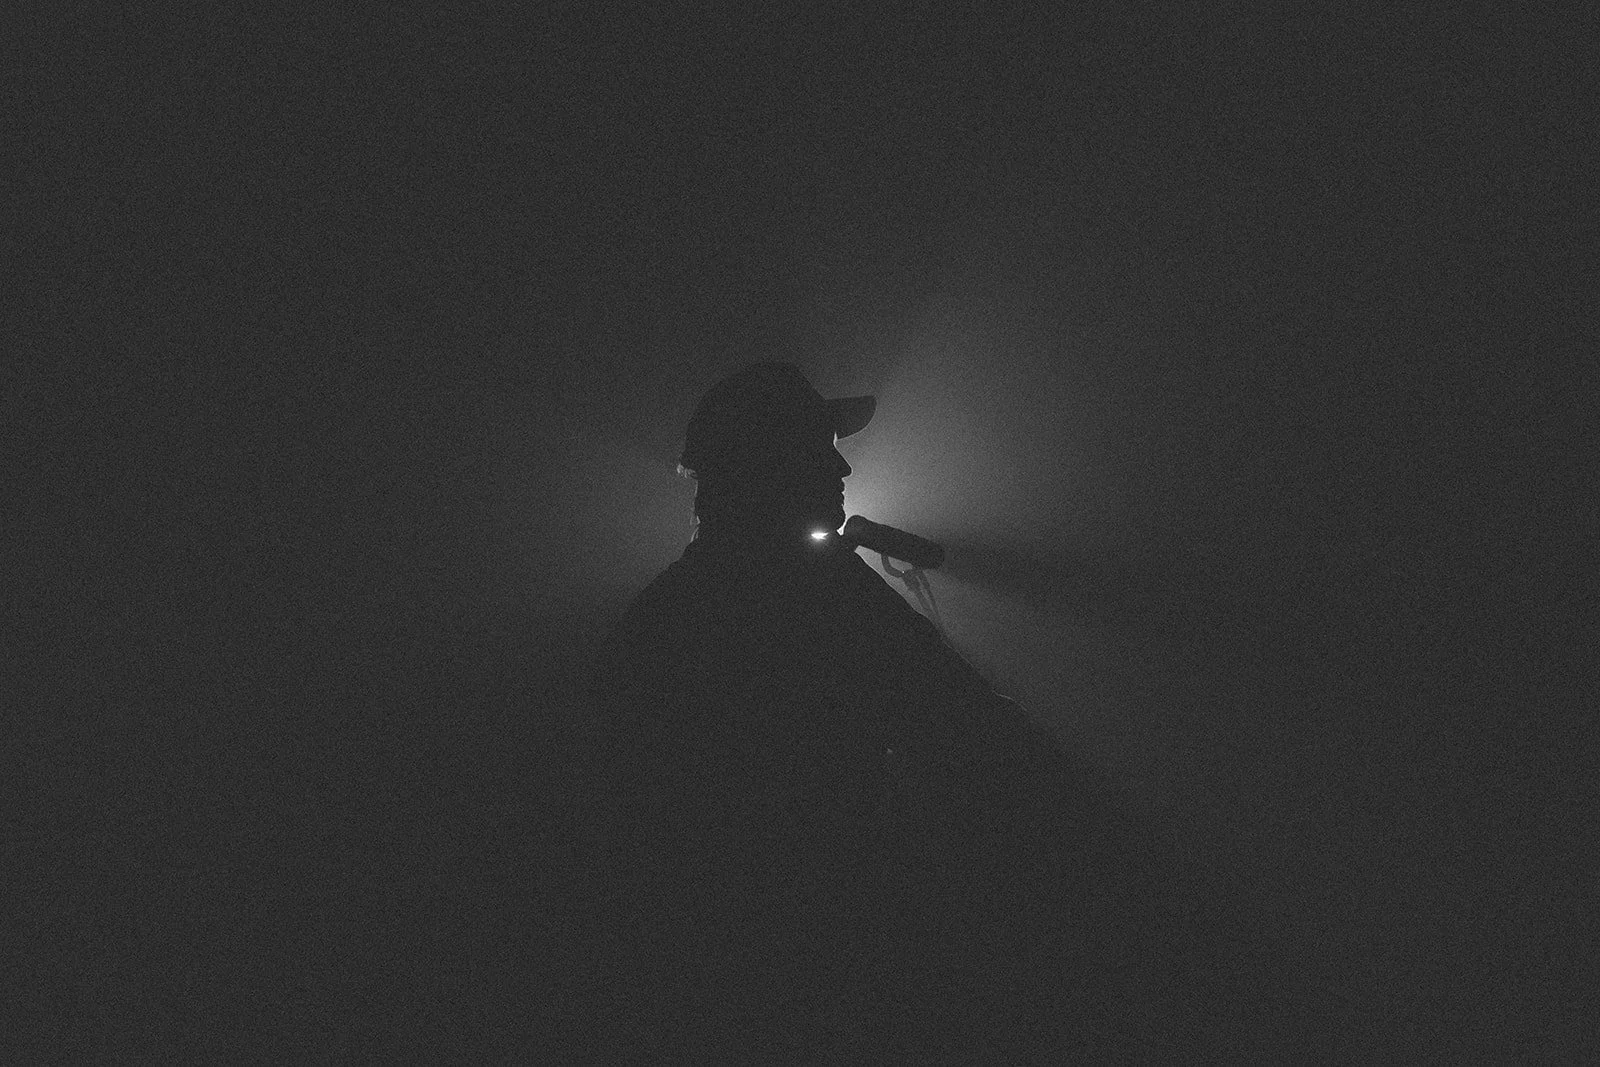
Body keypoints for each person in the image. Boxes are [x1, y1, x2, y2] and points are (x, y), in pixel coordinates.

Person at [573, 362, 1152, 1060]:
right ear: (767, 465)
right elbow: (969, 732)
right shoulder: (819, 597)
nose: (840, 467)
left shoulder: (664, 616)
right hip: (822, 979)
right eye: (819, 447)